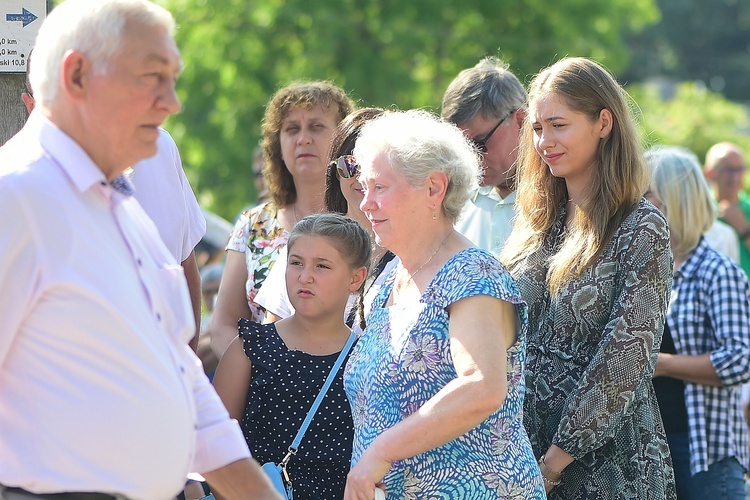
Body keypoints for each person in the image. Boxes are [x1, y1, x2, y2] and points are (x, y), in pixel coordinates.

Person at [0, 1, 279, 498]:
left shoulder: (120, 205)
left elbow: (182, 377)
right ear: (78, 75)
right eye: (152, 77)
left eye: (172, 79)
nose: (171, 101)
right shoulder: (16, 197)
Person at [344, 109, 545, 499]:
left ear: (434, 189)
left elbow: (482, 387)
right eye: (364, 188)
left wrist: (381, 453)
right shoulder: (386, 282)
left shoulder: (473, 274)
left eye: (380, 188)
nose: (366, 203)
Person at [500, 57, 676, 498]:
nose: (544, 141)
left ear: (603, 122)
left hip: (604, 467)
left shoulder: (641, 227)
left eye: (558, 125)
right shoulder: (538, 224)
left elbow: (625, 360)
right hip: (518, 456)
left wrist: (554, 461)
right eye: (537, 129)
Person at [23, 46, 206, 352]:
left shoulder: (159, 147)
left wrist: (187, 377)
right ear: (32, 106)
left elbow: (185, 268)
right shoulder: (20, 187)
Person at [213, 213, 370, 500]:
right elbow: (215, 448)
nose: (304, 276)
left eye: (322, 266)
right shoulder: (250, 348)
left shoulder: (367, 356)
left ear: (356, 278)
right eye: (296, 262)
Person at [211, 82, 354, 357]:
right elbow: (223, 325)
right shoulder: (253, 224)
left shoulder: (363, 217)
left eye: (316, 127)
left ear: (343, 138)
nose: (303, 139)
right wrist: (258, 375)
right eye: (292, 129)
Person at [645, 145, 750, 498]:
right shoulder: (645, 271)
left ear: (672, 200)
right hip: (652, 450)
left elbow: (739, 360)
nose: (637, 205)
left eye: (646, 195)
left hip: (704, 453)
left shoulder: (718, 273)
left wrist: (662, 365)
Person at [255, 108, 398, 326]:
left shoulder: (416, 254)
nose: (363, 177)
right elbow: (272, 341)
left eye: (374, 165)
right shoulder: (306, 244)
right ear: (335, 171)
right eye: (351, 165)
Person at [441, 56, 527, 254]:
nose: (471, 158)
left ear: (521, 121)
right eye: (461, 146)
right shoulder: (450, 201)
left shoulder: (563, 196)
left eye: (480, 142)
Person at [704, 142, 750, 276]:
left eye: (740, 169)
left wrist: (743, 228)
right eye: (729, 170)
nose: (736, 176)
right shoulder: (700, 211)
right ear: (710, 173)